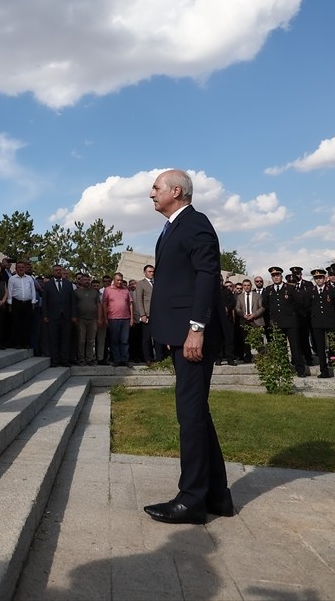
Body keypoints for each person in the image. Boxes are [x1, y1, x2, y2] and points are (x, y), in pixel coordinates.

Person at [142, 169, 233, 525]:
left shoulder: (195, 223)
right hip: (179, 333)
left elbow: (207, 276)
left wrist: (196, 327)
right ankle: (216, 495)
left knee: (190, 416)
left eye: (156, 188)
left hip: (192, 335)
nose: (151, 193)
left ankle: (191, 499)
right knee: (197, 414)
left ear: (176, 191)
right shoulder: (172, 228)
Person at [41, 264, 76, 367]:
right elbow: (44, 302)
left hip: (66, 316)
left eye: (60, 270)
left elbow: (72, 301)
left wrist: (74, 315)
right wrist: (45, 315)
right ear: (53, 272)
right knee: (53, 339)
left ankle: (64, 360)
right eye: (56, 270)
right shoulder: (48, 285)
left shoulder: (68, 284)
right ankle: (54, 360)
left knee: (65, 339)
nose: (58, 272)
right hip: (52, 316)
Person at [307, 269, 335, 378]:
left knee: (334, 346)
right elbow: (308, 306)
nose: (318, 279)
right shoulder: (311, 291)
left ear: (325, 278)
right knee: (320, 348)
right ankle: (324, 371)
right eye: (316, 278)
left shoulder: (332, 289)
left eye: (320, 277)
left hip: (330, 321)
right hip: (317, 322)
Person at [102, 273, 134, 367]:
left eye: (121, 280)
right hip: (113, 318)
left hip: (125, 318)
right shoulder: (108, 290)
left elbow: (130, 304)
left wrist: (131, 318)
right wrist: (105, 318)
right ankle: (116, 360)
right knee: (114, 341)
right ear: (114, 280)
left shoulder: (126, 290)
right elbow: (104, 304)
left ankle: (125, 360)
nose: (119, 282)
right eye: (118, 280)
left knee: (124, 340)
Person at [7, 260, 38, 349]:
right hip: (16, 303)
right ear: (16, 269)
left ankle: (26, 343)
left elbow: (33, 291)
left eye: (22, 267)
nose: (21, 269)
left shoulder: (29, 278)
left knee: (27, 324)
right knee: (16, 324)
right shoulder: (12, 279)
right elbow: (10, 292)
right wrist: (10, 304)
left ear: (24, 268)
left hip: (28, 303)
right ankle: (18, 343)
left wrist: (33, 302)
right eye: (19, 267)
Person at [73, 273, 100, 365]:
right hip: (81, 319)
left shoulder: (95, 292)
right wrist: (74, 317)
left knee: (91, 340)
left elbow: (99, 305)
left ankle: (89, 359)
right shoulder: (76, 292)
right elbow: (73, 306)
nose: (87, 282)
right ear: (80, 281)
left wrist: (99, 318)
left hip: (93, 319)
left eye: (88, 280)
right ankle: (81, 359)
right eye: (85, 280)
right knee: (81, 340)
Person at [134, 265, 157, 363]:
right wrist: (142, 314)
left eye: (152, 271)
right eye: (149, 271)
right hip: (147, 314)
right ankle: (148, 358)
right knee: (146, 338)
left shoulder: (158, 282)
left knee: (158, 337)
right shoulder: (140, 284)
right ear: (145, 272)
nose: (151, 273)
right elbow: (139, 300)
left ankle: (160, 357)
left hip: (158, 314)